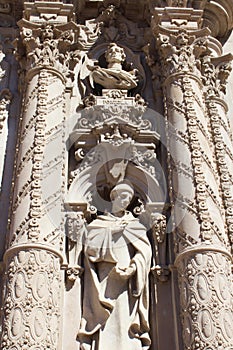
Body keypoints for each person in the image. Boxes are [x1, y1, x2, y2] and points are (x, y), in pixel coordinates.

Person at [78, 182, 151, 350]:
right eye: (123, 197)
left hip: (127, 277)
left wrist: (133, 268)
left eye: (129, 199)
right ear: (114, 197)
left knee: (124, 315)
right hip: (106, 275)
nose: (126, 201)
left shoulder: (135, 225)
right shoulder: (99, 224)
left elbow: (145, 252)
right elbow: (90, 249)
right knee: (107, 316)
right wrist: (112, 232)